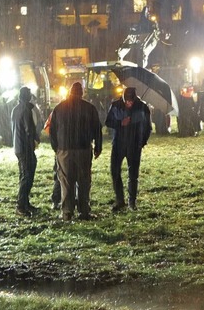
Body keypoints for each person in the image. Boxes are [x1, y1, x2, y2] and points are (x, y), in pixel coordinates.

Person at [49, 82, 103, 221]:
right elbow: (97, 129)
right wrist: (98, 146)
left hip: (64, 148)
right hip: (83, 148)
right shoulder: (89, 108)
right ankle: (84, 211)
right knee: (84, 180)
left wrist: (56, 147)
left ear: (70, 92)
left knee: (66, 181)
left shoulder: (59, 108)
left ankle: (67, 212)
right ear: (82, 92)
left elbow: (52, 130)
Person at [106, 87, 152, 212]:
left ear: (135, 98)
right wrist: (120, 123)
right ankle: (120, 200)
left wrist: (142, 142)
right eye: (127, 101)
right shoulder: (115, 105)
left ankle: (132, 202)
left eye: (131, 101)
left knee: (133, 175)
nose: (129, 103)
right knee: (115, 172)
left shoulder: (143, 107)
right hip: (118, 145)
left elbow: (148, 127)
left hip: (134, 145)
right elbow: (108, 122)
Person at [11, 86, 40, 217]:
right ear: (26, 97)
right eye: (29, 95)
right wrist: (35, 140)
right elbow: (29, 129)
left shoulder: (15, 109)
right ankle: (21, 205)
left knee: (23, 174)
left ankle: (25, 202)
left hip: (18, 146)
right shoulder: (26, 110)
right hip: (25, 147)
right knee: (28, 175)